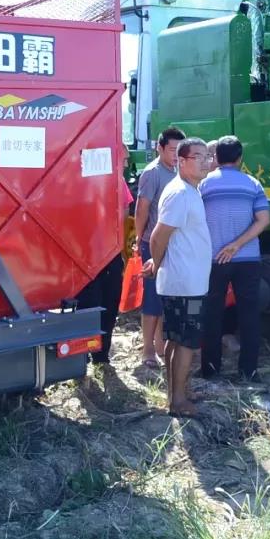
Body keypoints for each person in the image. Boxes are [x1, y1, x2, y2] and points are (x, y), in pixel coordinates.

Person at [198, 136, 270, 381]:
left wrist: (225, 247)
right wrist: (237, 245)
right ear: (240, 158)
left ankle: (210, 369)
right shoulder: (253, 184)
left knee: (212, 313)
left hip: (214, 259)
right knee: (249, 314)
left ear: (216, 158)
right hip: (248, 258)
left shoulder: (204, 185)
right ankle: (249, 371)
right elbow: (264, 220)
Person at [148, 137, 211, 417]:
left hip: (188, 280)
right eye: (198, 156)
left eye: (207, 156)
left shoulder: (190, 190)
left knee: (177, 340)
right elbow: (158, 236)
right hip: (185, 283)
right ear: (181, 161)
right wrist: (156, 264)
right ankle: (177, 401)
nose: (205, 161)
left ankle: (179, 392)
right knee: (185, 342)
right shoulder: (179, 193)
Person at [133, 127, 186, 368]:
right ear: (160, 148)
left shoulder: (179, 171)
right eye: (172, 150)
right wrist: (138, 237)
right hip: (152, 243)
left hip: (174, 245)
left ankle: (160, 345)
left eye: (180, 151)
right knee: (153, 297)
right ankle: (147, 350)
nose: (176, 155)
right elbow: (142, 208)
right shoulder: (152, 173)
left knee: (167, 296)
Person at [76, 147, 132, 364]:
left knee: (93, 305)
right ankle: (97, 355)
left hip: (93, 254)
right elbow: (124, 217)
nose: (126, 165)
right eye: (124, 159)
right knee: (104, 304)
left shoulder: (90, 181)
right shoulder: (114, 184)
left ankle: (89, 356)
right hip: (101, 254)